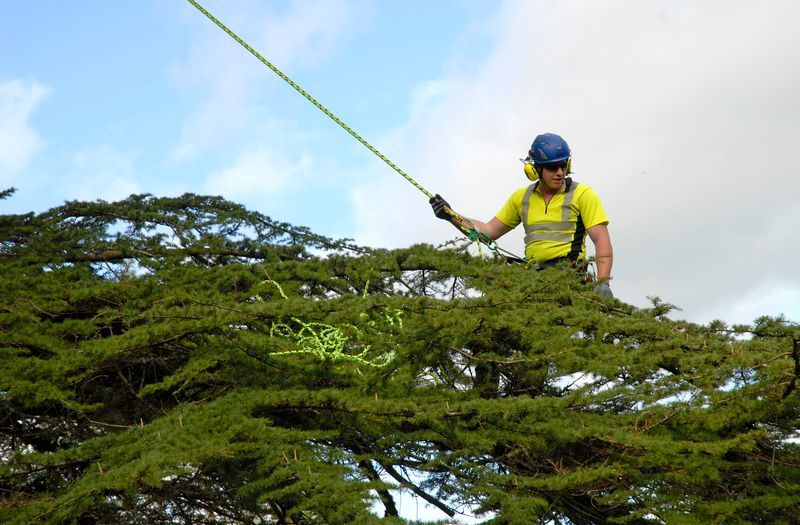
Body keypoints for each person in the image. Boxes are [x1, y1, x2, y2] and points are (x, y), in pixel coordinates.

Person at [429, 132, 614, 297]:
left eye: (563, 165)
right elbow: (488, 231)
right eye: (552, 167)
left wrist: (603, 282)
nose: (559, 172)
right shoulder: (522, 198)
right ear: (536, 169)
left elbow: (601, 240)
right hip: (534, 280)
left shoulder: (583, 194)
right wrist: (451, 216)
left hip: (570, 279)